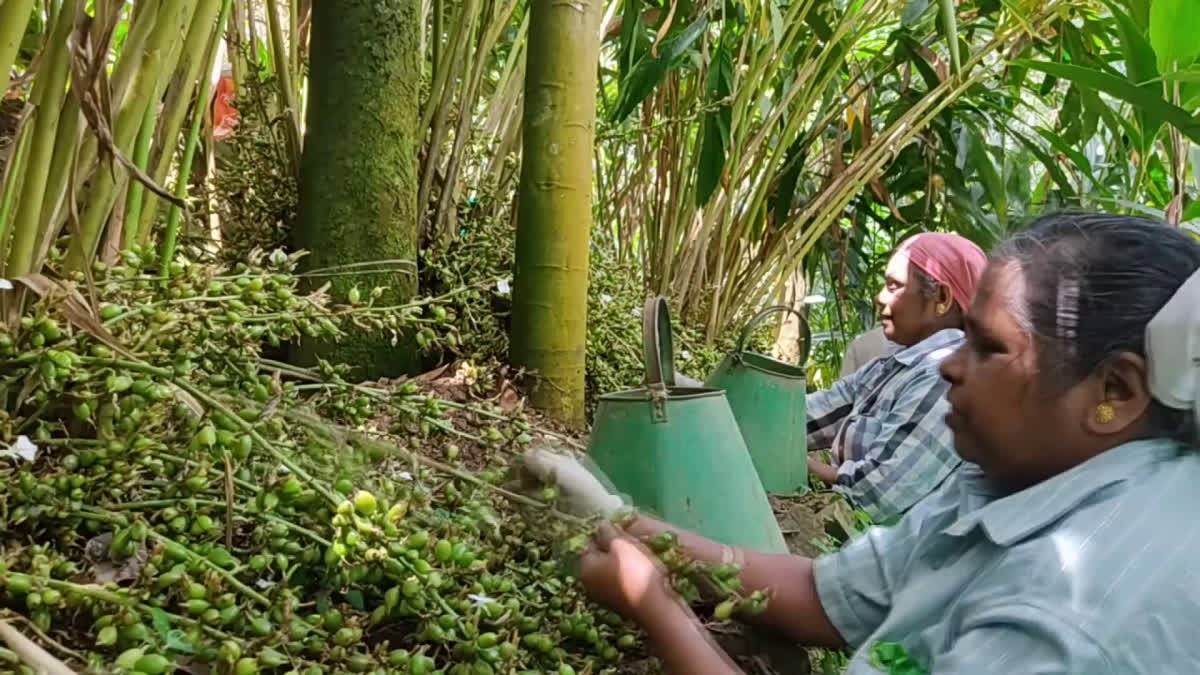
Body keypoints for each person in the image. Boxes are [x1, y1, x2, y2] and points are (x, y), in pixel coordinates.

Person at [525, 212, 1200, 673]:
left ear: (1116, 389)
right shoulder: (1020, 475)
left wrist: (655, 603)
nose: (949, 364)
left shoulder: (1066, 618)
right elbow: (826, 594)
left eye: (989, 346)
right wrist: (620, 518)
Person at [805, 232, 986, 522]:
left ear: (941, 298)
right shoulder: (893, 364)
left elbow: (877, 496)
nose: (880, 297)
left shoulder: (943, 376)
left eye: (894, 286)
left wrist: (798, 464)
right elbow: (814, 415)